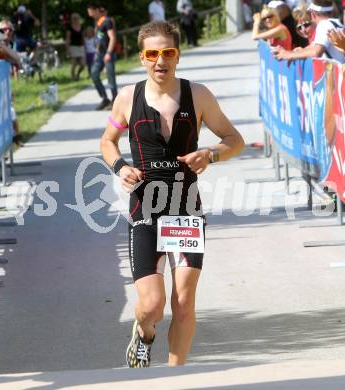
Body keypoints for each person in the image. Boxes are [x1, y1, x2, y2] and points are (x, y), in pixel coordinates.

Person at [100, 21, 245, 368]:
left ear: (177, 56)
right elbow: (108, 141)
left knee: (183, 303)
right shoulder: (127, 98)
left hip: (186, 213)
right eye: (152, 53)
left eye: (168, 52)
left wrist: (210, 154)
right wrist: (120, 166)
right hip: (145, 212)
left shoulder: (198, 95)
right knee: (151, 305)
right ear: (142, 58)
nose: (160, 60)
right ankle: (145, 334)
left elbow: (235, 140)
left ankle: (175, 376)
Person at [274, 0, 345, 62]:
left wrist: (287, 54)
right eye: (299, 27)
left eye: (306, 25)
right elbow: (313, 45)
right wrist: (298, 51)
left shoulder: (323, 24)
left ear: (313, 14)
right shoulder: (336, 22)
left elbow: (316, 52)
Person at [87, 3, 118, 110]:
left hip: (108, 54)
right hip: (99, 55)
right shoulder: (98, 23)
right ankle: (105, 98)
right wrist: (96, 52)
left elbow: (112, 38)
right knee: (94, 74)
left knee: (110, 78)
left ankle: (115, 101)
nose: (90, 15)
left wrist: (109, 53)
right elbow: (98, 40)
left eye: (91, 12)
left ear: (96, 10)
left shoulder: (107, 21)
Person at [65, 13, 85, 81]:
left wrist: (85, 46)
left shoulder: (81, 27)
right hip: (73, 47)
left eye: (77, 18)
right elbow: (68, 39)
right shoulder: (69, 28)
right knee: (73, 64)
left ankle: (78, 74)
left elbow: (83, 37)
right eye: (74, 18)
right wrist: (67, 49)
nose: (76, 20)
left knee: (83, 64)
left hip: (80, 47)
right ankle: (73, 78)